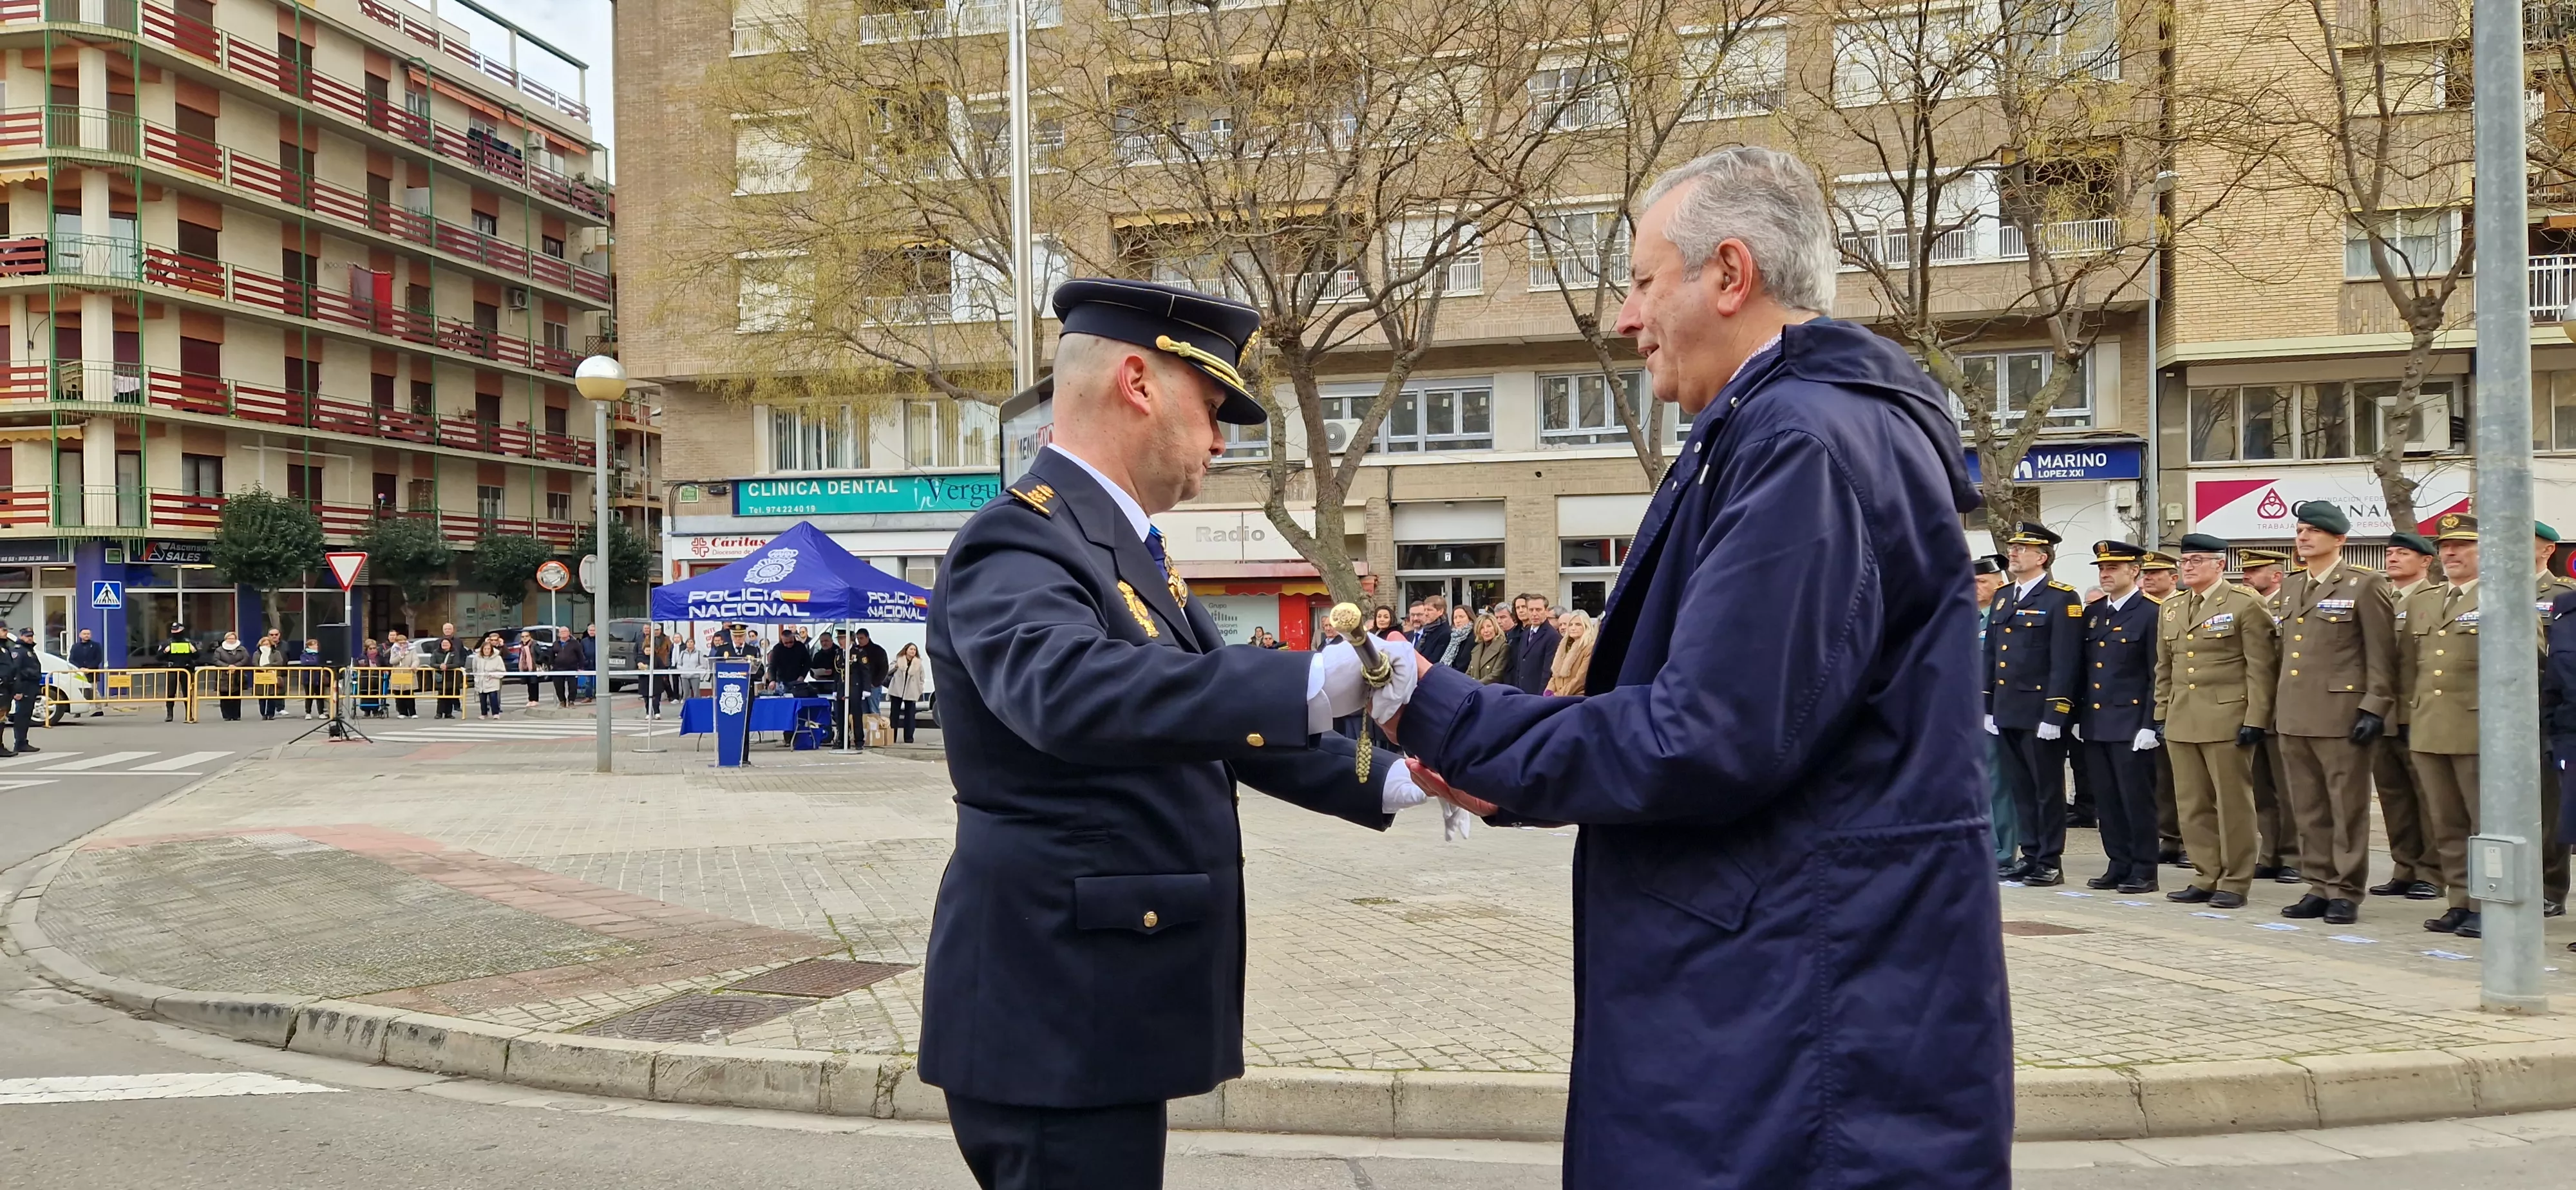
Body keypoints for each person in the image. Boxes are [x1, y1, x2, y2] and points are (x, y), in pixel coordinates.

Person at [1388, 149, 2008, 1188]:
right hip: (1783, 1002)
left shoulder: (1804, 444)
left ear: (1729, 274)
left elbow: (1703, 736)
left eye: (1640, 282)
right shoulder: (1775, 431)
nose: (1627, 321)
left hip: (1795, 1028)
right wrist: (1505, 760)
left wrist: (1447, 714)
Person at [918, 277, 1440, 1190]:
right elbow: (1069, 691)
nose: (1221, 436)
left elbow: (1215, 727)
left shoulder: (1121, 550)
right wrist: (1318, 679)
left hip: (1096, 1007)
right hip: (1056, 1016)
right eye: (1209, 405)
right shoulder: (1019, 541)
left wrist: (1404, 779)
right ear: (1137, 382)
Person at [2268, 501, 2396, 926]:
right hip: (2294, 713)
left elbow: (2381, 653)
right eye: (2300, 530)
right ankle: (2318, 883)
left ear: (2339, 539)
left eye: (2313, 532)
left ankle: (2345, 890)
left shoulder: (2363, 584)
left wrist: (2375, 706)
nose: (2303, 538)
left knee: (2347, 807)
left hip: (2342, 714)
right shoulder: (2290, 587)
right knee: (2307, 807)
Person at [2157, 533, 2280, 912]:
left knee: (2233, 803)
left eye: (2197, 560)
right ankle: (2205, 873)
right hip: (2183, 716)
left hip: (2228, 716)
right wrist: (2161, 713)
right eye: (2185, 561)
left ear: (2219, 565)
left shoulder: (2245, 604)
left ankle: (2235, 879)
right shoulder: (2173, 606)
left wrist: (2256, 718)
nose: (2188, 567)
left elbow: (2261, 667)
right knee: (2192, 803)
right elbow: (2166, 667)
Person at [1987, 521, 2083, 887]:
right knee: (2020, 788)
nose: (2014, 553)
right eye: (2012, 548)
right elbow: (1992, 654)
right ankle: (2029, 854)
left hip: (2040, 710)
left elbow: (2065, 659)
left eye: (2022, 549)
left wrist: (2057, 711)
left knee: (2046, 789)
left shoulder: (2061, 598)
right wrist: (1987, 703)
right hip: (2008, 708)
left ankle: (2049, 860)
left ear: (2042, 557)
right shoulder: (2003, 595)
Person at [2405, 514, 2488, 936]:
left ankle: (2488, 902)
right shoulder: (2426, 599)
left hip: (2478, 729)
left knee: (2484, 824)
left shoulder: (2501, 597)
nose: (2451, 553)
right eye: (2445, 547)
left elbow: (2529, 664)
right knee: (2447, 823)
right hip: (2429, 726)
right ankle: (2459, 900)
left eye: (2463, 546)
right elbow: (2408, 666)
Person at [2077, 541, 2162, 894]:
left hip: (2131, 723)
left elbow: (2154, 673)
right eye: (2102, 568)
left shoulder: (2150, 612)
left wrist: (2149, 723)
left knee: (2135, 799)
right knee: (2107, 799)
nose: (2105, 574)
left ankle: (2144, 868)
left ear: (2135, 572)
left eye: (2113, 568)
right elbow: (2084, 669)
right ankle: (2118, 862)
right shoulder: (2095, 613)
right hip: (2097, 722)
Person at [2371, 531, 2442, 902]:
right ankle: (2404, 866)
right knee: (2393, 797)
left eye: (2403, 554)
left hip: (2421, 713)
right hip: (2383, 714)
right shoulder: (2381, 596)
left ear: (2426, 561)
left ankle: (2432, 871)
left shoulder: (2435, 599)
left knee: (2429, 798)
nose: (2393, 558)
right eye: (2390, 553)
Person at [2237, 546, 2301, 884]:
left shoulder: (2289, 605)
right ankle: (2271, 852)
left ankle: (2294, 855)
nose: (2246, 576)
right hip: (2254, 709)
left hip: (2284, 709)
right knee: (2262, 788)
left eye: (2255, 571)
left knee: (2288, 788)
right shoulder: (2247, 606)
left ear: (2276, 576)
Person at [2534, 524, 2575, 915]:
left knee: (2551, 809)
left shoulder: (2559, 595)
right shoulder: (2489, 591)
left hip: (2552, 722)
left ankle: (2551, 887)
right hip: (2501, 718)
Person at [2138, 550, 2188, 866]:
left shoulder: (2178, 607)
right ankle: (2168, 836)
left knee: (2184, 779)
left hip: (2185, 704)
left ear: (2174, 578)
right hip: (2158, 703)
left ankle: (2185, 840)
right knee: (2161, 778)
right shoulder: (2151, 610)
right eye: (2146, 573)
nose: (2149, 577)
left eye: (2157, 573)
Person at [1973, 554, 2018, 871]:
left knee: (1998, 784)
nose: (1974, 587)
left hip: (1995, 712)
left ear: (1999, 584)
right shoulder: (1968, 618)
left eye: (1982, 581)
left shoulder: (2003, 618)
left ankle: (2002, 851)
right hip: (1965, 713)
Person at [1504, 593, 1557, 695]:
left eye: (1538, 610)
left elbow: (1548, 672)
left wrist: (1541, 696)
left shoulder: (1552, 636)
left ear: (1546, 611)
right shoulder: (1525, 634)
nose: (1534, 614)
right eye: (1531, 610)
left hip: (1537, 695)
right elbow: (1520, 666)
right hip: (1521, 693)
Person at [3, 626, 41, 756]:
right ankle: (19, 742)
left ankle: (23, 741)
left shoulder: (28, 650)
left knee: (26, 716)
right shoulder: (19, 651)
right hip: (24, 686)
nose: (30, 638)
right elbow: (16, 671)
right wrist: (18, 690)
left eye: (31, 636)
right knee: (22, 716)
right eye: (27, 636)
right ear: (21, 637)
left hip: (30, 686)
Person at [1544, 609, 1594, 695]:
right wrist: (1549, 691)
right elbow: (1555, 675)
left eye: (1578, 624)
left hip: (1577, 697)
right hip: (1559, 697)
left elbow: (1580, 679)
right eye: (1571, 625)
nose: (1573, 628)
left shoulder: (1589, 647)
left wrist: (1558, 695)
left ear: (1586, 626)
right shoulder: (1564, 646)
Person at [887, 642, 926, 743]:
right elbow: (888, 670)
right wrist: (896, 666)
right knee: (894, 715)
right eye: (911, 649)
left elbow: (922, 678)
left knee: (910, 716)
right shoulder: (899, 660)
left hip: (911, 692)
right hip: (897, 690)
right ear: (906, 650)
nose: (913, 651)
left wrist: (920, 689)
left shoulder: (918, 664)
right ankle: (892, 737)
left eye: (915, 650)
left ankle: (909, 738)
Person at [210, 630, 250, 721]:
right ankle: (227, 716)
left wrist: (236, 666)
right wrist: (227, 667)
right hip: (224, 675)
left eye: (233, 638)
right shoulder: (219, 650)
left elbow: (246, 658)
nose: (231, 640)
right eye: (229, 638)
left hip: (237, 675)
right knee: (224, 696)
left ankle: (236, 715)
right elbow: (216, 660)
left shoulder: (242, 649)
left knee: (236, 696)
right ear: (225, 639)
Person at [253, 630, 289, 720]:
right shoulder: (257, 653)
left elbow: (279, 662)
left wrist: (268, 667)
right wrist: (262, 669)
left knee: (272, 695)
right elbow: (255, 663)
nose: (266, 646)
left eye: (267, 644)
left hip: (272, 675)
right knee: (262, 697)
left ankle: (270, 713)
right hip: (261, 676)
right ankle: (263, 714)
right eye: (264, 644)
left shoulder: (276, 653)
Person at [469, 634, 507, 717]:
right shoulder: (477, 658)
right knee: (482, 699)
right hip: (481, 681)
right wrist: (476, 678)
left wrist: (493, 675)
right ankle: (484, 713)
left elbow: (502, 671)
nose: (487, 651)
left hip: (493, 681)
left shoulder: (498, 658)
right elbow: (474, 669)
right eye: (485, 649)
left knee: (493, 697)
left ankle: (496, 713)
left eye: (489, 649)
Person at [68, 628, 102, 718]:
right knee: (79, 691)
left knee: (94, 691)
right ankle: (78, 710)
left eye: (88, 634)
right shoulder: (75, 647)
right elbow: (71, 659)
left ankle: (98, 709)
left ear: (91, 635)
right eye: (84, 634)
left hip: (92, 672)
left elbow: (98, 659)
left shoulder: (96, 646)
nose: (86, 635)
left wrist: (89, 668)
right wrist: (79, 668)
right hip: (79, 673)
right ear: (80, 635)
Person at [386, 630, 421, 718]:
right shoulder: (394, 650)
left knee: (409, 693)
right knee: (398, 694)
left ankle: (413, 713)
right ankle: (402, 712)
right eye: (400, 643)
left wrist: (414, 665)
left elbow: (416, 659)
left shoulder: (412, 649)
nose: (402, 645)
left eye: (404, 643)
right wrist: (400, 655)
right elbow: (392, 661)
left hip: (408, 674)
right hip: (398, 674)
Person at [297, 638, 328, 717]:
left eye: (316, 645)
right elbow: (304, 663)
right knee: (309, 696)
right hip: (308, 678)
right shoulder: (304, 655)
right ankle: (308, 713)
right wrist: (314, 663)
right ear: (309, 646)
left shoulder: (320, 655)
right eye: (313, 645)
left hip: (319, 678)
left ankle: (321, 713)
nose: (316, 646)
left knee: (320, 696)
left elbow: (321, 663)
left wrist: (311, 662)